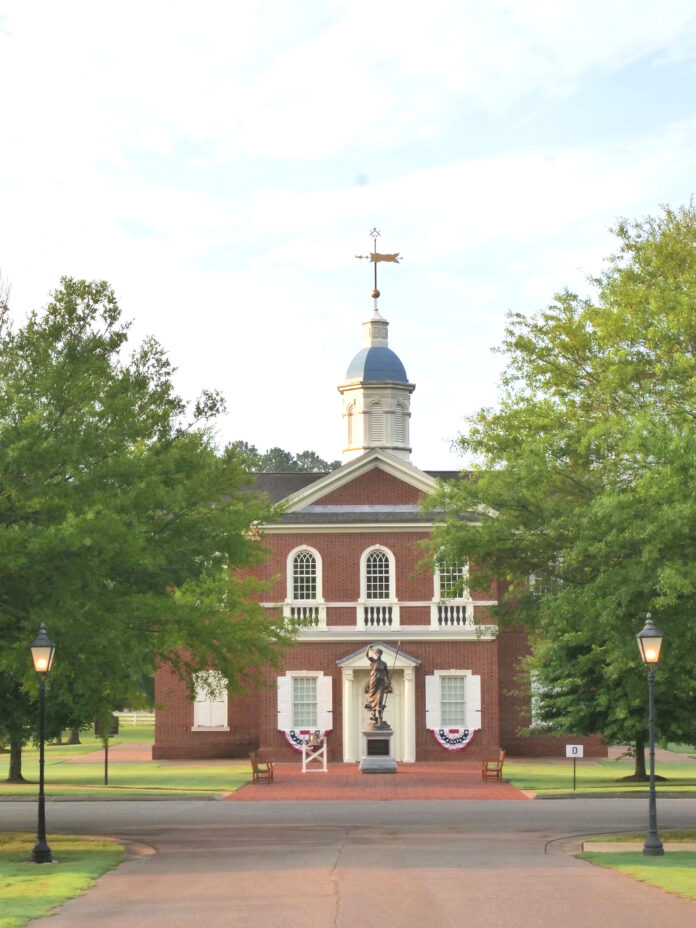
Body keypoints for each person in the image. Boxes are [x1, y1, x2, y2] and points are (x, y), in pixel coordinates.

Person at [364, 646, 392, 726]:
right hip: (374, 681)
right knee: (372, 699)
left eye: (379, 653)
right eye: (377, 653)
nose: (378, 655)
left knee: (379, 700)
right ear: (375, 654)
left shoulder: (384, 664)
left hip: (381, 682)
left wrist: (389, 681)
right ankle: (373, 716)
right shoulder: (373, 661)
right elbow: (367, 656)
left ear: (381, 654)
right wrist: (368, 649)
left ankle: (380, 719)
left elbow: (387, 673)